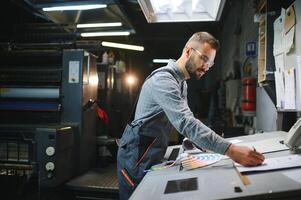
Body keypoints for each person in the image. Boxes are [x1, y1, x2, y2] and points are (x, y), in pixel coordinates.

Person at [116, 32, 265, 200]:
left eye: (211, 62)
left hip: (152, 153)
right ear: (188, 51)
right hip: (136, 158)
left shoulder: (181, 83)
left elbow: (189, 120)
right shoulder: (163, 81)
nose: (207, 66)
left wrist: (207, 147)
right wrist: (230, 150)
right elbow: (186, 123)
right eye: (204, 59)